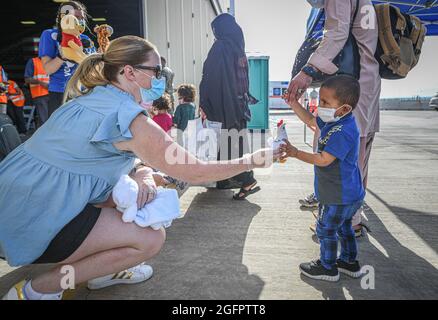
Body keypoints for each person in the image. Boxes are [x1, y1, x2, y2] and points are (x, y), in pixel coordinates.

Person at [0, 35, 271, 300]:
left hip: (14, 202)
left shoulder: (89, 100)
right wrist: (253, 159)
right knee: (149, 239)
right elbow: (194, 171)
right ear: (129, 72)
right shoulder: (129, 119)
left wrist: (140, 171)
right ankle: (40, 289)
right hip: (31, 217)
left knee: (126, 203)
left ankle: (102, 272)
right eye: (156, 70)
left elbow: (89, 158)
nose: (161, 78)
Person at [286, 0, 381, 236]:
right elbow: (313, 121)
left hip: (351, 83)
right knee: (359, 157)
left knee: (343, 159)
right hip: (366, 85)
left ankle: (344, 222)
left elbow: (337, 33)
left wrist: (307, 72)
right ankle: (351, 214)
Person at [280, 75, 365, 282]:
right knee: (345, 228)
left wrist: (295, 152)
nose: (320, 106)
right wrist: (293, 103)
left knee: (325, 230)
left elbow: (324, 159)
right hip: (350, 194)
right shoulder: (335, 120)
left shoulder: (343, 130)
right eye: (320, 100)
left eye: (326, 102)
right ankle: (348, 262)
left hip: (338, 195)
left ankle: (327, 267)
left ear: (344, 108)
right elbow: (310, 120)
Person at [200, 13, 260, 200]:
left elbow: (210, 78)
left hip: (224, 106)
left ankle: (246, 179)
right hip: (238, 106)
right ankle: (226, 180)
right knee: (235, 143)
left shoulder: (221, 47)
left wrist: (204, 104)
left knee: (227, 145)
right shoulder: (238, 50)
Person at [39, 1, 95, 117]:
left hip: (82, 91)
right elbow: (48, 69)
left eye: (82, 18)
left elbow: (92, 68)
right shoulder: (50, 35)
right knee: (59, 130)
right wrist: (63, 56)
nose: (80, 21)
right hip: (59, 92)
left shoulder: (85, 38)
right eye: (76, 17)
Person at [24, 57, 50, 126]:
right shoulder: (33, 61)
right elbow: (27, 79)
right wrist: (41, 83)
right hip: (40, 94)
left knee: (55, 118)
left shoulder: (54, 60)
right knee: (44, 119)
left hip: (54, 93)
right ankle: (44, 135)